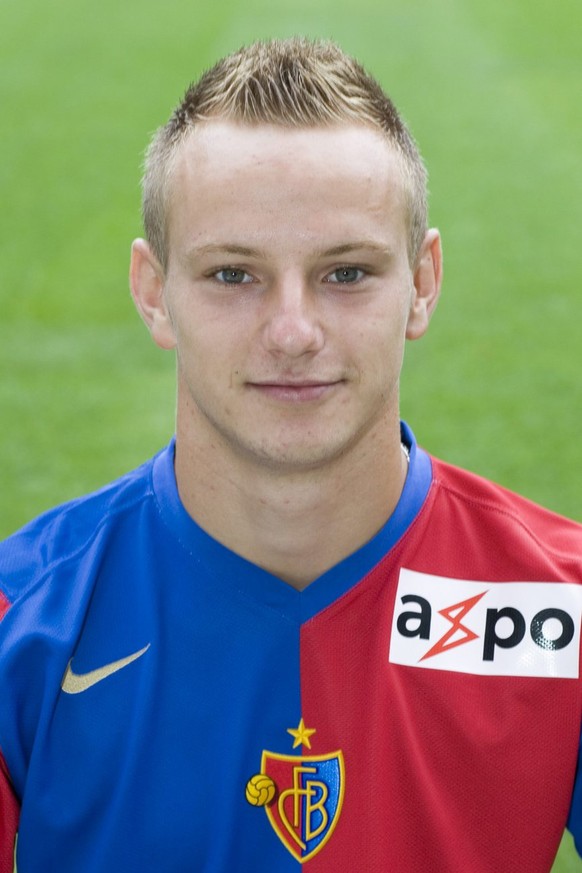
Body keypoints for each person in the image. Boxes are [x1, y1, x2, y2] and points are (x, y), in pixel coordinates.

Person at [0, 37, 581, 873]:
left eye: (346, 273)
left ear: (423, 282)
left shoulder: (558, 610)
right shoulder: (25, 619)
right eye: (234, 275)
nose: (294, 331)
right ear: (153, 291)